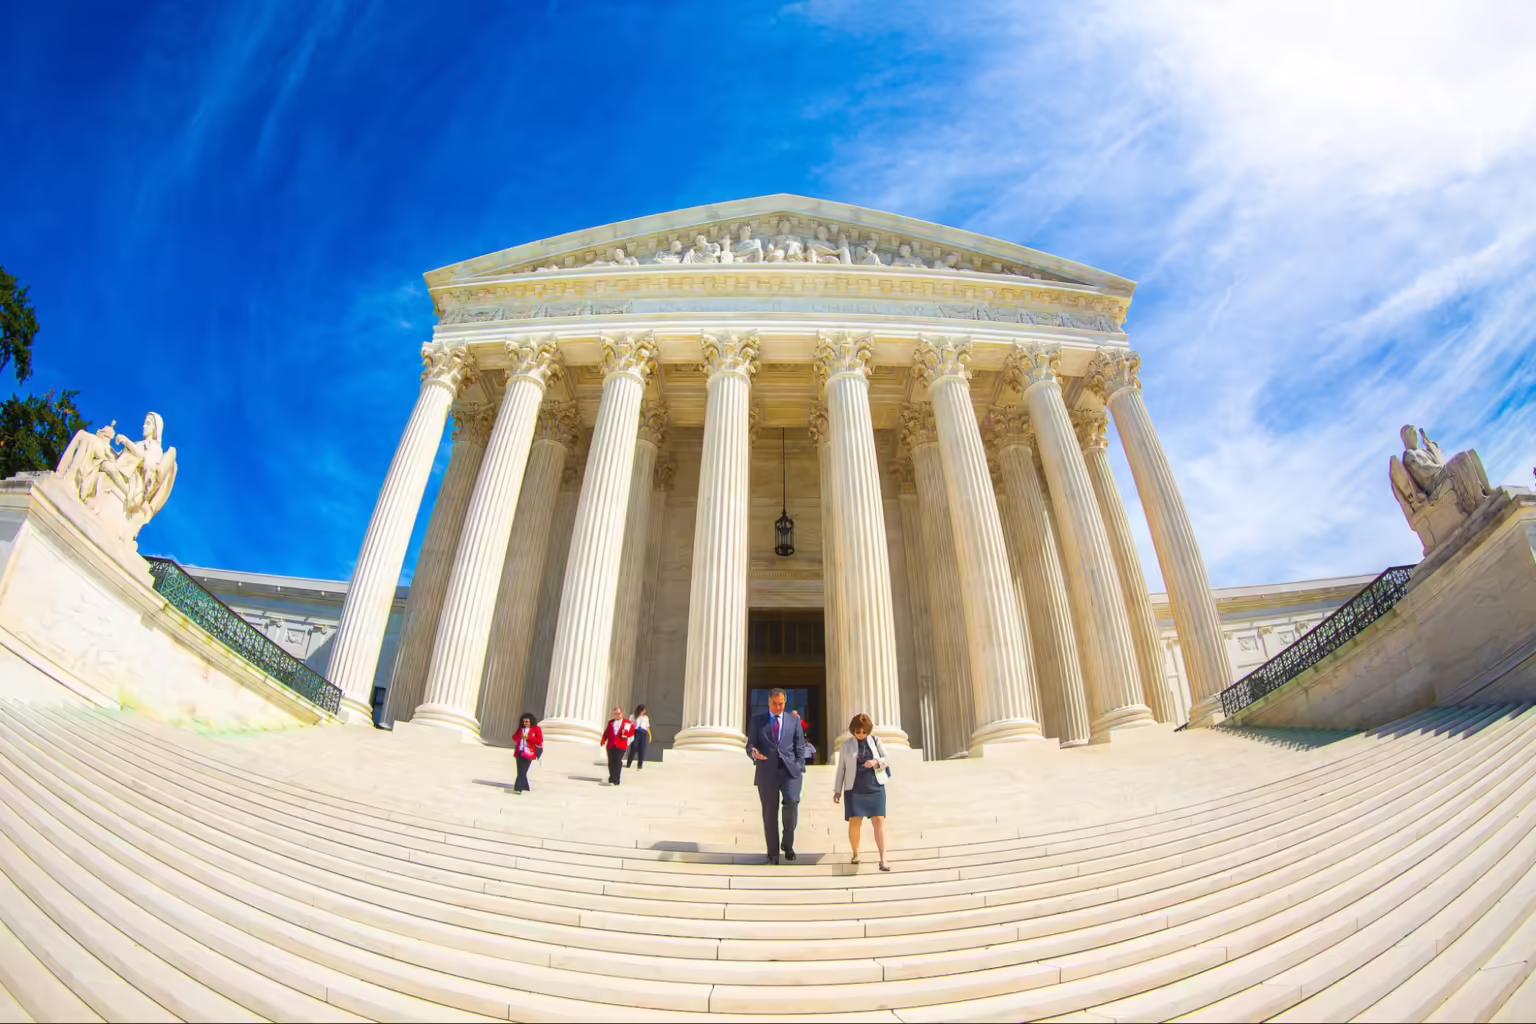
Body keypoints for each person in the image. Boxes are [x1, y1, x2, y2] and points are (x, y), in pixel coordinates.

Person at [747, 688, 806, 864]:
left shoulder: (793, 721)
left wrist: (799, 765)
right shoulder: (758, 721)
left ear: (785, 703)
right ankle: (772, 853)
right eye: (775, 704)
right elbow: (751, 744)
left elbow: (800, 746)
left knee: (792, 804)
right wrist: (753, 752)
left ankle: (787, 845)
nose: (779, 707)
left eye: (781, 704)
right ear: (769, 702)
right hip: (767, 771)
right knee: (769, 813)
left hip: (790, 772)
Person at [833, 713, 891, 871]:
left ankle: (883, 859)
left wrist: (875, 762)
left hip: (875, 786)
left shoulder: (876, 741)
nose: (861, 735)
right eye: (858, 732)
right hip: (855, 788)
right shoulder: (847, 746)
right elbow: (841, 770)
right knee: (855, 822)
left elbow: (887, 759)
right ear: (853, 731)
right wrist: (837, 790)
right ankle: (856, 853)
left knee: (879, 820)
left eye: (864, 732)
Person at [599, 706, 634, 785]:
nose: (617, 715)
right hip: (611, 745)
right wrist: (603, 740)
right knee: (611, 762)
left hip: (621, 745)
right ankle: (612, 776)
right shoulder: (611, 722)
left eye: (618, 713)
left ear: (622, 713)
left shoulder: (627, 723)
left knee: (618, 761)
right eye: (615, 714)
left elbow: (631, 733)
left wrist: (625, 733)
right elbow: (606, 732)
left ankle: (616, 779)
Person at [510, 712, 542, 794]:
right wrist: (519, 737)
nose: (526, 723)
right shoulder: (521, 729)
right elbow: (514, 737)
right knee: (520, 771)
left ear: (531, 721)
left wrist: (529, 738)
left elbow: (539, 740)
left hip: (529, 753)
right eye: (524, 722)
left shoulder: (537, 729)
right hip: (520, 752)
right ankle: (524, 787)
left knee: (523, 771)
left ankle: (519, 787)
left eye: (527, 722)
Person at [626, 703, 650, 770]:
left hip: (643, 733)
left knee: (642, 749)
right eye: (642, 711)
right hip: (636, 732)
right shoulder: (632, 716)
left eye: (644, 711)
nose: (643, 712)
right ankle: (629, 763)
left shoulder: (645, 717)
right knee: (633, 748)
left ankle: (640, 765)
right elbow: (629, 724)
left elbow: (647, 726)